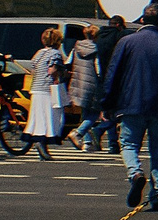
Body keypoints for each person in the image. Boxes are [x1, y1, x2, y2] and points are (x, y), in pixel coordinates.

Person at [101, 8, 158, 209]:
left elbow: (112, 75)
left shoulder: (126, 42)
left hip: (131, 103)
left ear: (142, 20)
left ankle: (135, 173)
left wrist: (107, 104)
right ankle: (157, 195)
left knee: (129, 144)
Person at [22, 26, 66, 156]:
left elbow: (33, 69)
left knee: (38, 117)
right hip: (48, 88)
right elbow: (52, 70)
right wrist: (61, 74)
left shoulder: (39, 53)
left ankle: (39, 141)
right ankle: (43, 141)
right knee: (52, 116)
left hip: (36, 87)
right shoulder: (56, 54)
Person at [64, 23, 106, 153]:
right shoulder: (96, 49)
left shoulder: (76, 47)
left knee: (84, 113)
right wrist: (102, 79)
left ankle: (87, 143)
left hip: (78, 83)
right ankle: (78, 133)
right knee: (95, 113)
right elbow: (98, 68)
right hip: (91, 83)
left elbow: (68, 62)